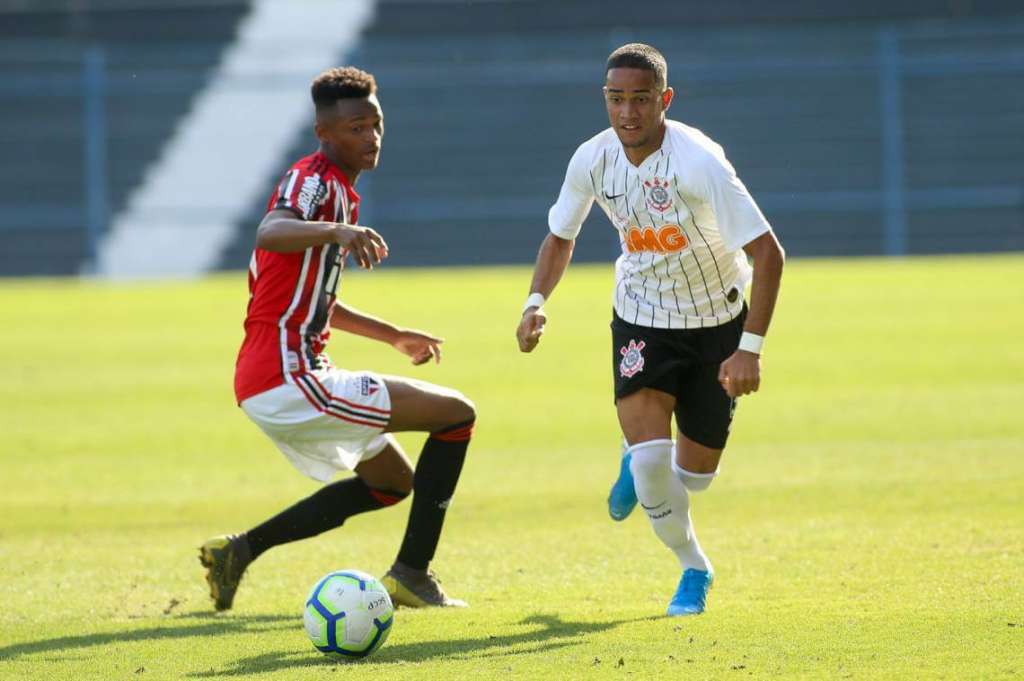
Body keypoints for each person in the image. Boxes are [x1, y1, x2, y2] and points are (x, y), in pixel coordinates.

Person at [516, 44, 784, 616]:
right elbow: (560, 235)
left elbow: (769, 253)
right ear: (605, 99)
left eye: (641, 99)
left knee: (694, 477)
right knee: (651, 466)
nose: (627, 112)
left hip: (716, 324)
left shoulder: (701, 164)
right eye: (616, 99)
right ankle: (694, 567)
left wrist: (749, 350)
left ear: (665, 99)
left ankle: (639, 464)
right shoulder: (592, 158)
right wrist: (535, 301)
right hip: (642, 319)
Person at [200, 66, 475, 611]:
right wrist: (338, 230)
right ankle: (412, 575)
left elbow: (313, 300)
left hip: (283, 375)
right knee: (456, 415)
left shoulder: (340, 193)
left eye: (375, 124)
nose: (371, 137)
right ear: (324, 133)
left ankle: (239, 551)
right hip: (286, 377)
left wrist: (393, 335)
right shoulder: (314, 181)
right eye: (355, 128)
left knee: (391, 482)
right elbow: (270, 230)